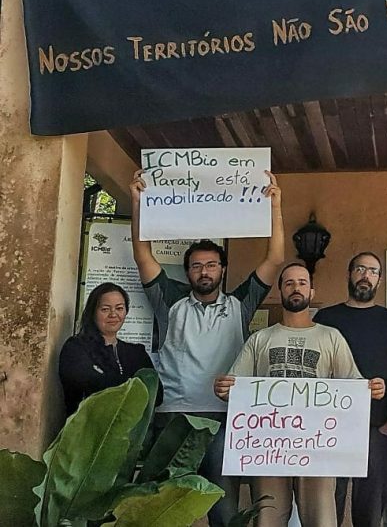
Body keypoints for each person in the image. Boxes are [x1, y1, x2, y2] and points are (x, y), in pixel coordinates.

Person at [129, 168, 285, 526]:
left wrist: (276, 205)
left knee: (224, 510)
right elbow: (142, 255)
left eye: (211, 265)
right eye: (197, 266)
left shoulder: (241, 304)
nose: (204, 271)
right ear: (187, 272)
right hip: (174, 418)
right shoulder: (169, 300)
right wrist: (138, 203)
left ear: (222, 270)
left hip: (225, 419)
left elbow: (275, 259)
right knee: (163, 512)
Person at [214, 263, 386, 527]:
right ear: (280, 291)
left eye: (302, 283)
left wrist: (371, 389)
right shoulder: (260, 339)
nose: (296, 288)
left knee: (322, 521)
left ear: (312, 291)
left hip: (318, 448)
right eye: (289, 283)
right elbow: (236, 387)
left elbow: (353, 385)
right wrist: (225, 389)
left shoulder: (331, 337)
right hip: (268, 448)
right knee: (268, 519)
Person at [313, 252, 387, 527]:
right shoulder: (326, 317)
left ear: (380, 280)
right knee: (330, 502)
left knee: (370, 506)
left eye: (373, 271)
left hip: (377, 425)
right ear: (349, 274)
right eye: (360, 269)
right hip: (331, 426)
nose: (366, 275)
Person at [59, 282, 160, 415]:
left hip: (129, 427)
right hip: (86, 425)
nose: (113, 314)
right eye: (105, 309)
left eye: (119, 308)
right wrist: (133, 385)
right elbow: (91, 384)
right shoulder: (76, 347)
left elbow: (156, 394)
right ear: (92, 312)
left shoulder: (136, 352)